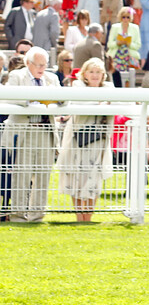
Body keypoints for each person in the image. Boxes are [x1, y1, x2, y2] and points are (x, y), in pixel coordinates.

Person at [2, 47, 59, 222]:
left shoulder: (52, 78)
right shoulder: (16, 76)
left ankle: (37, 215)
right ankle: (19, 215)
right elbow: (12, 97)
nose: (42, 68)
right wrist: (36, 99)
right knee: (22, 174)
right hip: (24, 132)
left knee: (43, 175)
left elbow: (64, 99)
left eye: (45, 64)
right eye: (39, 65)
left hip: (45, 130)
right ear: (28, 63)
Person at [56, 57, 113, 222]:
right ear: (85, 74)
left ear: (103, 75)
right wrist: (101, 104)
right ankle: (79, 217)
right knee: (77, 179)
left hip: (99, 142)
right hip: (77, 141)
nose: (95, 75)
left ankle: (88, 218)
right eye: (91, 72)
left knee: (93, 179)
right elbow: (82, 102)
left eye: (98, 72)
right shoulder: (77, 85)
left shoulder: (109, 88)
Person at [107, 7, 141, 71]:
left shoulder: (135, 28)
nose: (125, 19)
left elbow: (138, 45)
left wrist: (129, 43)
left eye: (128, 17)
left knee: (128, 78)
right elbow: (109, 44)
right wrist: (117, 43)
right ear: (120, 17)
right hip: (116, 57)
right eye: (123, 17)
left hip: (129, 57)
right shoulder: (115, 27)